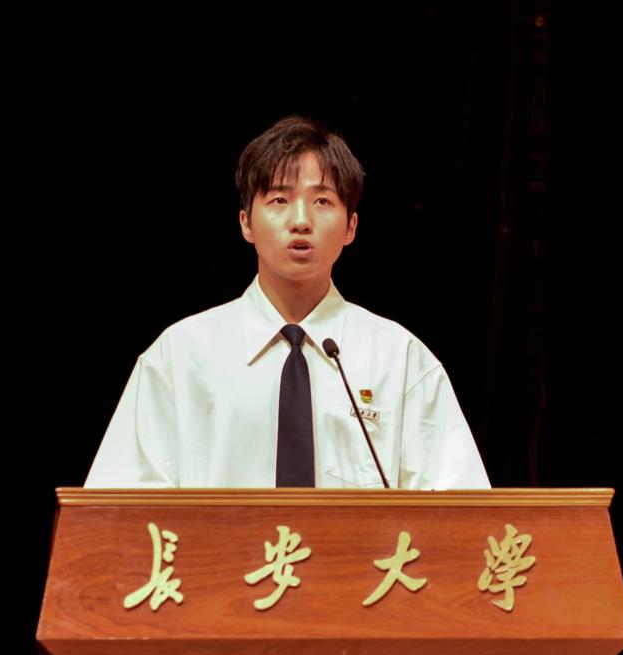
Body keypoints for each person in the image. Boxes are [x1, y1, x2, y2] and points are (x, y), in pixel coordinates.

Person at [84, 116, 490, 489]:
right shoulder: (180, 355)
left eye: (322, 201)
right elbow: (117, 511)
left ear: (350, 226)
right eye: (279, 200)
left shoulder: (400, 359)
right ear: (246, 223)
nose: (300, 220)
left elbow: (460, 513)